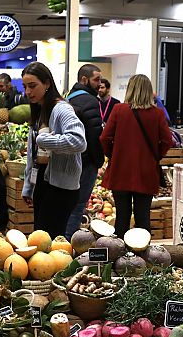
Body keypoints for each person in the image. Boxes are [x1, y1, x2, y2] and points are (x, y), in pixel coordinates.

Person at [100, 74, 172, 238]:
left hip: (120, 171)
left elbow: (104, 138)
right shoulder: (157, 114)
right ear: (148, 91)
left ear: (130, 89)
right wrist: (155, 155)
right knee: (142, 218)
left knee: (122, 218)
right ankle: (142, 257)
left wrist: (114, 155)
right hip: (146, 172)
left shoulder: (119, 110)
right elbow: (167, 141)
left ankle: (119, 257)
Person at [21, 62, 86, 238]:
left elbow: (79, 141)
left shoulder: (61, 109)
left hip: (61, 189)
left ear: (47, 83)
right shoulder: (40, 110)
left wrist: (44, 139)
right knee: (41, 238)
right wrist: (29, 186)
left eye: (33, 86)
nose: (28, 92)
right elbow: (32, 153)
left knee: (49, 241)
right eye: (25, 86)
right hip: (44, 181)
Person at [65, 64, 104, 239]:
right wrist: (99, 161)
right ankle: (70, 242)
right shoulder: (90, 101)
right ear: (84, 79)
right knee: (78, 205)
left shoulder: (68, 98)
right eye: (96, 79)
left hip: (69, 160)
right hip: (86, 162)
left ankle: (62, 242)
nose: (100, 84)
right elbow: (95, 135)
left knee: (68, 204)